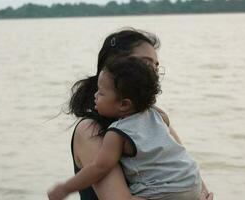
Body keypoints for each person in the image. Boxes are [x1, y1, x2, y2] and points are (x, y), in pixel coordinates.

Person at [48, 28, 213, 200]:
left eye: (156, 67)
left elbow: (194, 182)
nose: (154, 74)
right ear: (113, 67)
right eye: (146, 64)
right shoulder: (91, 129)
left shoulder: (155, 117)